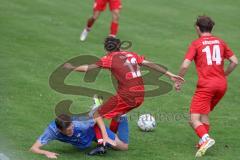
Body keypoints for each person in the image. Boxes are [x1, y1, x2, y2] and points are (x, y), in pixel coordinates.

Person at [64, 37, 184, 154]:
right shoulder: (131, 55)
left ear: (106, 49)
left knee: (96, 114)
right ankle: (111, 137)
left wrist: (71, 68)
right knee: (117, 114)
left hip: (127, 96)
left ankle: (103, 144)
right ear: (120, 46)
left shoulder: (109, 58)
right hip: (140, 96)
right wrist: (170, 75)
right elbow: (150, 64)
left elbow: (87, 68)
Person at [175, 16, 238, 157]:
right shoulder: (221, 42)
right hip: (221, 85)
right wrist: (224, 74)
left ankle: (206, 139)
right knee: (203, 114)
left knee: (193, 119)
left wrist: (178, 80)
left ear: (197, 27)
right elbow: (234, 61)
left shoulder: (196, 44)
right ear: (211, 28)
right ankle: (201, 142)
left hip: (206, 86)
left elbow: (185, 65)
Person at [30, 113, 129, 159]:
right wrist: (46, 153)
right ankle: (106, 140)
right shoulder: (52, 131)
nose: (71, 131)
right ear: (59, 130)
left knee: (123, 147)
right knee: (83, 145)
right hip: (85, 138)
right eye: (68, 131)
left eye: (72, 128)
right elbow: (34, 148)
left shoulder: (80, 123)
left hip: (95, 130)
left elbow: (97, 116)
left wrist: (105, 136)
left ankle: (122, 117)